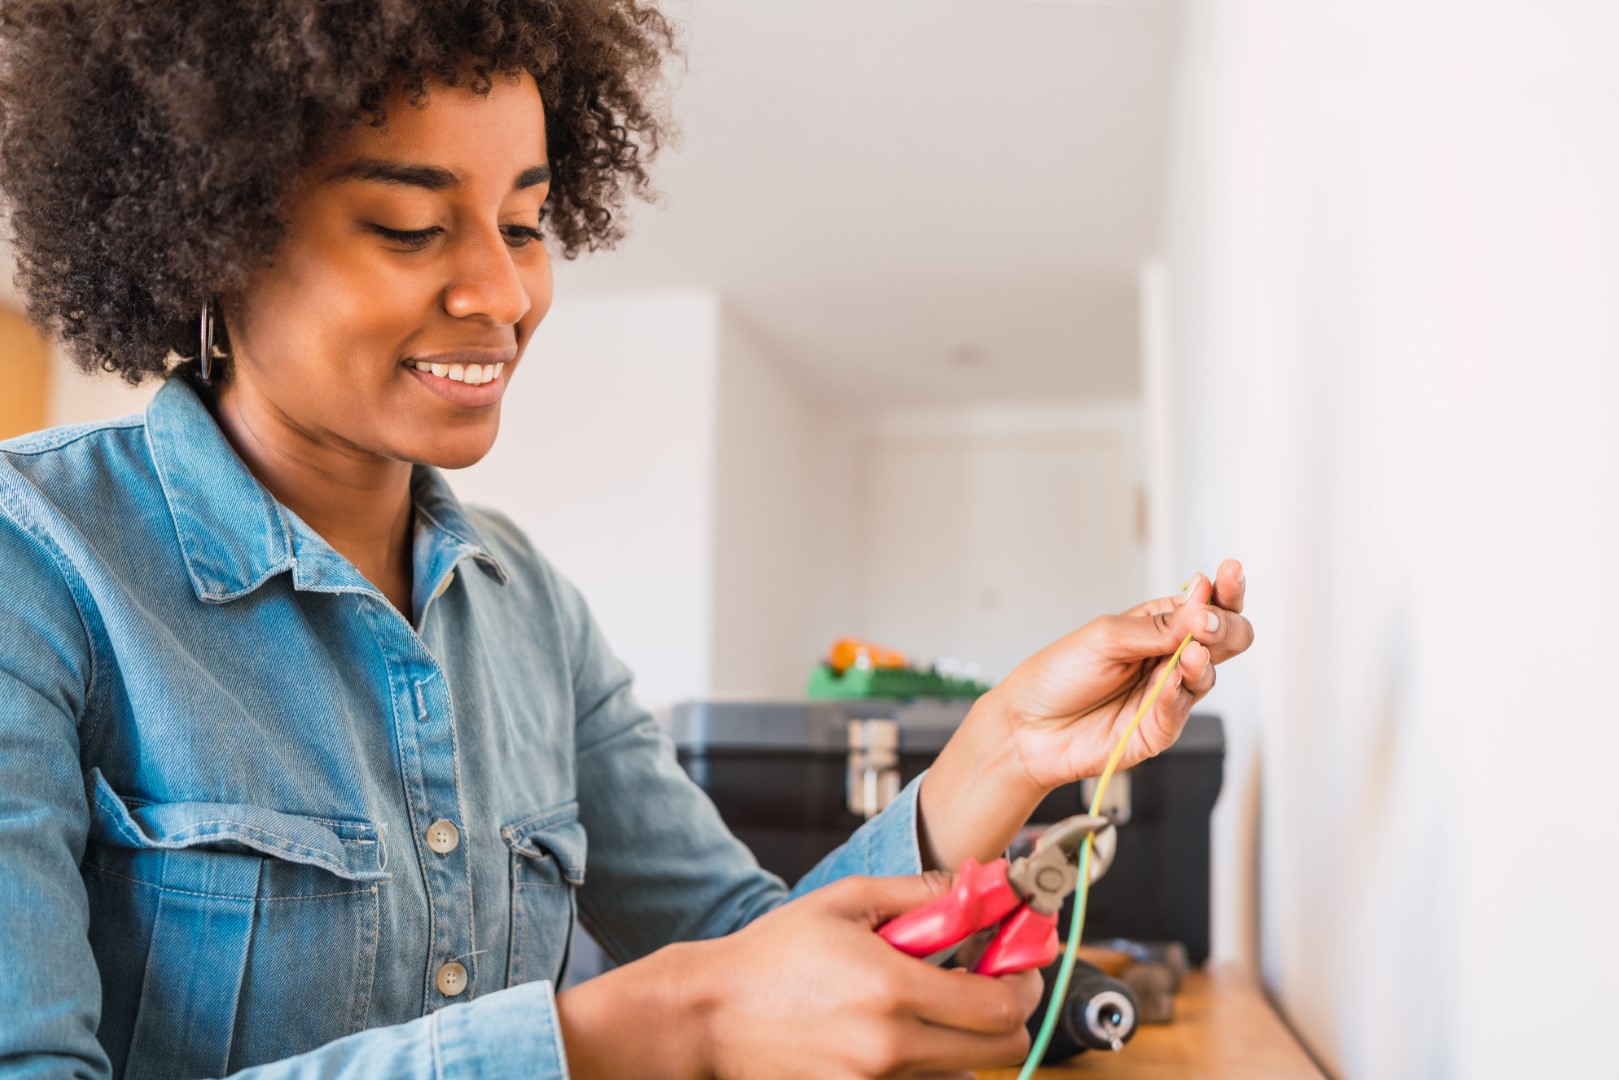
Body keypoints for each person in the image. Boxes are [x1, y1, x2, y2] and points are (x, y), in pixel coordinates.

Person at [0, 2, 1254, 1077]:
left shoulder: (524, 603)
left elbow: (753, 946)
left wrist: (1000, 753)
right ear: (204, 232)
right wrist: (648, 1031)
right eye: (407, 226)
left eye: (527, 222)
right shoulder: (38, 562)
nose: (501, 294)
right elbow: (707, 1001)